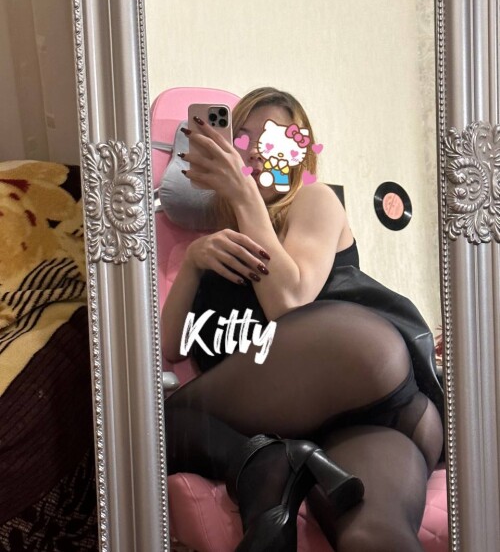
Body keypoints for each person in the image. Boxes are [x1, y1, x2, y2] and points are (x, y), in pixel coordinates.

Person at [161, 87, 444, 552]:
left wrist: (243, 193)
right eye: (245, 138)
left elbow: (290, 305)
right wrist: (192, 262)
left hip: (354, 360)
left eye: (275, 140)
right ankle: (282, 464)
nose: (258, 152)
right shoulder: (217, 247)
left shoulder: (313, 200)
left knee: (154, 423)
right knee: (371, 534)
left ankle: (264, 465)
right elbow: (172, 347)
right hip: (381, 423)